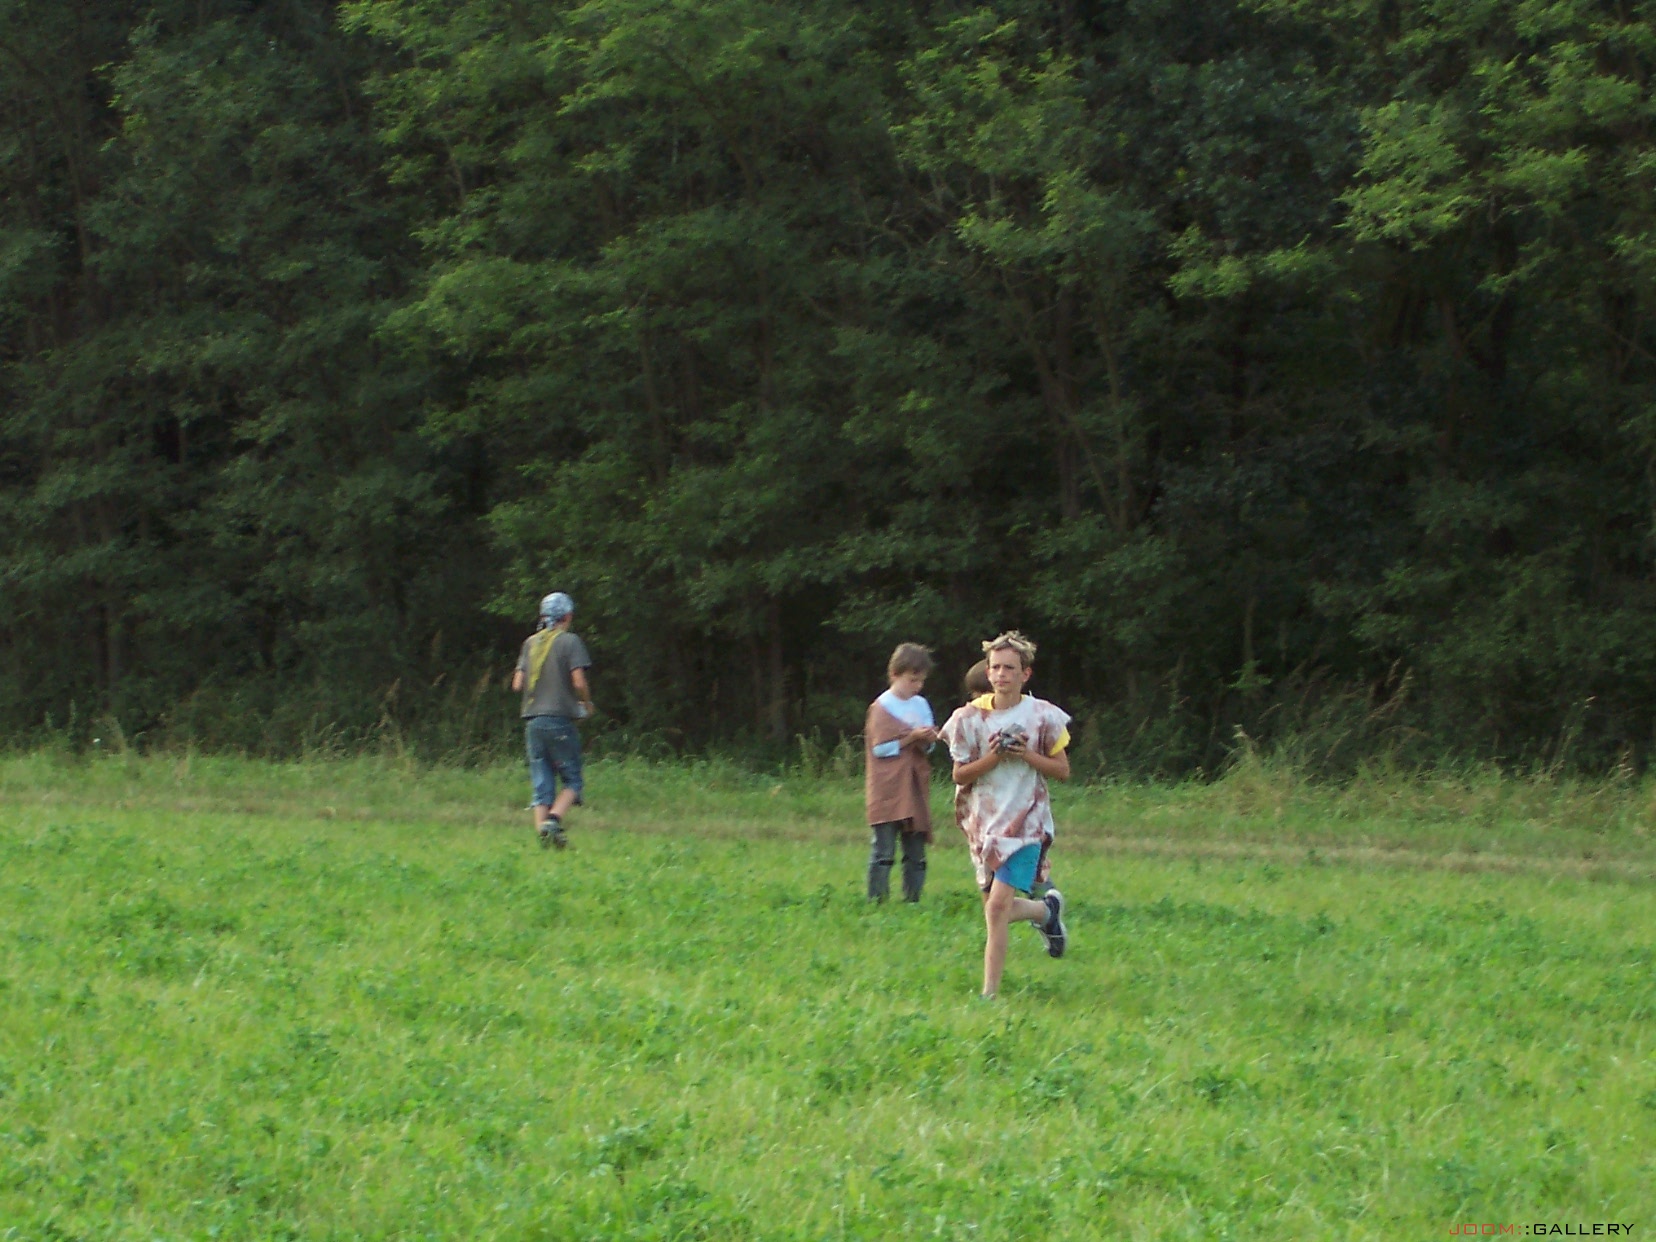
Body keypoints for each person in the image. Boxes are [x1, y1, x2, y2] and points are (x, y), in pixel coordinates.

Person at [939, 630, 1071, 999]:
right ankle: (1046, 913)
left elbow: (1062, 770)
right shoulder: (968, 718)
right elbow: (959, 775)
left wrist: (1026, 754)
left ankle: (989, 995)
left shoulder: (1042, 716)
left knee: (997, 908)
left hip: (1026, 824)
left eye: (1010, 668)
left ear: (1025, 674)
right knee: (996, 911)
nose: (1001, 674)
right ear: (988, 672)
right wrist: (994, 757)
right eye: (996, 667)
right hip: (984, 826)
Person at [510, 591, 594, 849]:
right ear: (567, 616)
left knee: (542, 780)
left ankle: (544, 839)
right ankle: (554, 820)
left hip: (533, 720)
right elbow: (578, 682)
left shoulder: (530, 643)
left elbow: (517, 684)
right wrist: (586, 703)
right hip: (559, 720)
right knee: (572, 779)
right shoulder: (570, 642)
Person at [864, 643, 938, 902]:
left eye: (921, 681)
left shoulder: (921, 704)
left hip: (914, 785)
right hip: (886, 787)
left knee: (916, 849)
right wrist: (911, 737)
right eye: (912, 680)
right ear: (895, 674)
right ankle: (877, 899)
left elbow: (928, 748)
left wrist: (929, 739)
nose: (917, 686)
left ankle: (913, 898)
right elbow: (880, 749)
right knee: (883, 850)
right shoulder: (881, 707)